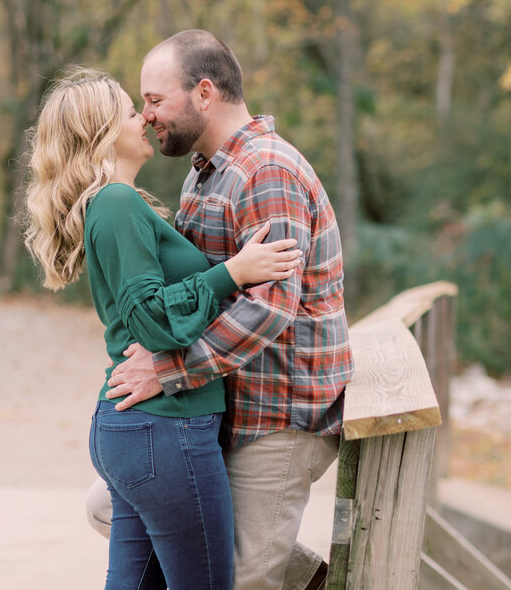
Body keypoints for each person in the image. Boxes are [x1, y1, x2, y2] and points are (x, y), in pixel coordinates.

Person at [23, 69, 302, 590]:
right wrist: (232, 273)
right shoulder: (116, 203)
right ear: (103, 133)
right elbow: (151, 321)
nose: (145, 118)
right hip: (165, 429)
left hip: (142, 429)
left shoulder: (118, 204)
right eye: (132, 111)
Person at [97, 30, 354, 590]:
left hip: (276, 416)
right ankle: (305, 576)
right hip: (222, 404)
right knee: (110, 507)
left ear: (205, 93)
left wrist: (168, 370)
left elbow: (269, 310)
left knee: (239, 581)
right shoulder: (206, 170)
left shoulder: (267, 172)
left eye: (155, 100)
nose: (146, 116)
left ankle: (290, 573)